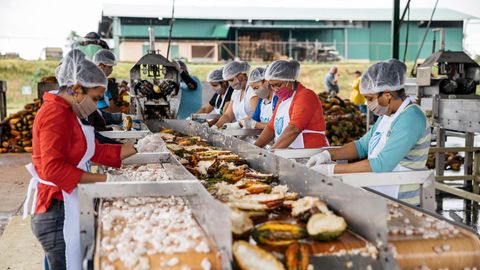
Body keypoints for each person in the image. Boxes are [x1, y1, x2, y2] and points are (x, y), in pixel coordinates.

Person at [25, 56, 137, 270]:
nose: (96, 106)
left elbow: (93, 150)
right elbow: (53, 169)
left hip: (67, 202)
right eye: (95, 98)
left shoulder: (69, 112)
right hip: (57, 210)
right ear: (76, 89)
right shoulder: (55, 114)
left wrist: (139, 148)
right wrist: (106, 180)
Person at [307, 59, 431, 205]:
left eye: (370, 98)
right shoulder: (387, 115)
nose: (367, 104)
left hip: (402, 200)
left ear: (387, 94)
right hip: (381, 192)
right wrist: (328, 154)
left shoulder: (410, 118)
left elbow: (382, 164)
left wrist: (332, 170)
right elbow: (362, 146)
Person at [254, 60, 329, 149]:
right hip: (291, 154)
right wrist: (254, 149)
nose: (275, 89)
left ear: (290, 80)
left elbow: (293, 129)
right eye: (271, 86)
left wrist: (272, 152)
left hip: (308, 154)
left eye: (277, 85)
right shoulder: (282, 99)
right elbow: (271, 127)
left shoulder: (305, 95)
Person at [213, 61, 258, 130]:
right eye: (228, 81)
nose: (230, 84)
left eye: (231, 80)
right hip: (241, 133)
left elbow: (256, 114)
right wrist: (215, 126)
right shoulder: (236, 92)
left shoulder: (252, 90)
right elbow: (228, 115)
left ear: (241, 76)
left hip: (253, 133)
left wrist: (238, 124)